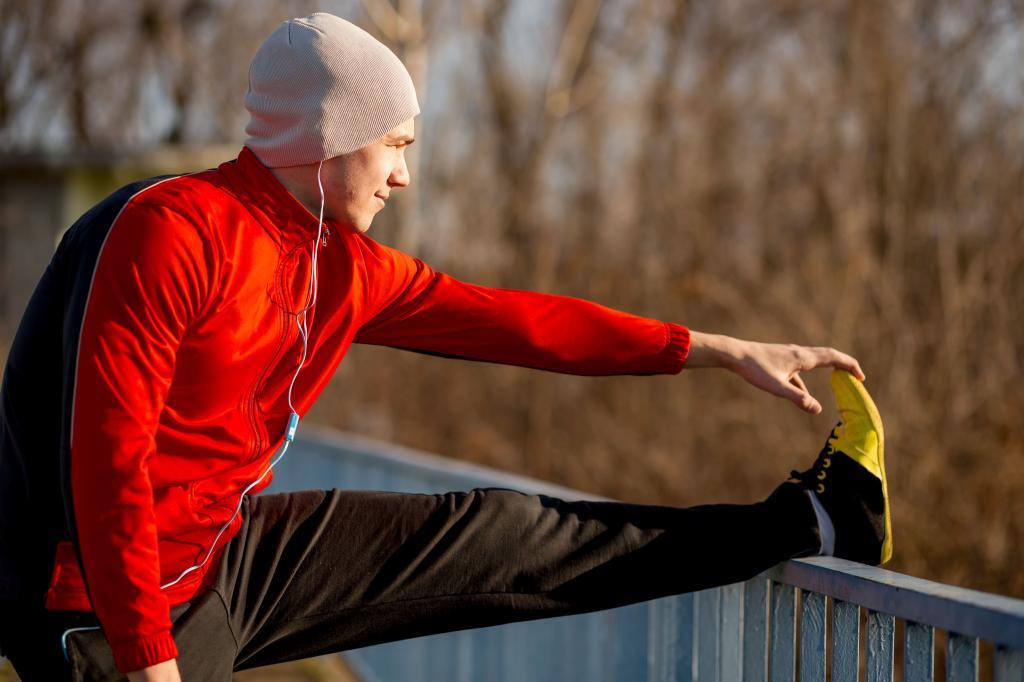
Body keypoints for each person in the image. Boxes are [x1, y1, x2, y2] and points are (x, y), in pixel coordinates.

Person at [0, 13, 891, 682]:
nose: (404, 174)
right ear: (327, 135)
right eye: (394, 145)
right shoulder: (173, 232)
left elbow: (519, 322)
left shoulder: (343, 266)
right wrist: (150, 661)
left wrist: (716, 347)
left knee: (506, 533)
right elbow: (105, 461)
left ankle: (816, 522)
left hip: (224, 557)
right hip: (102, 613)